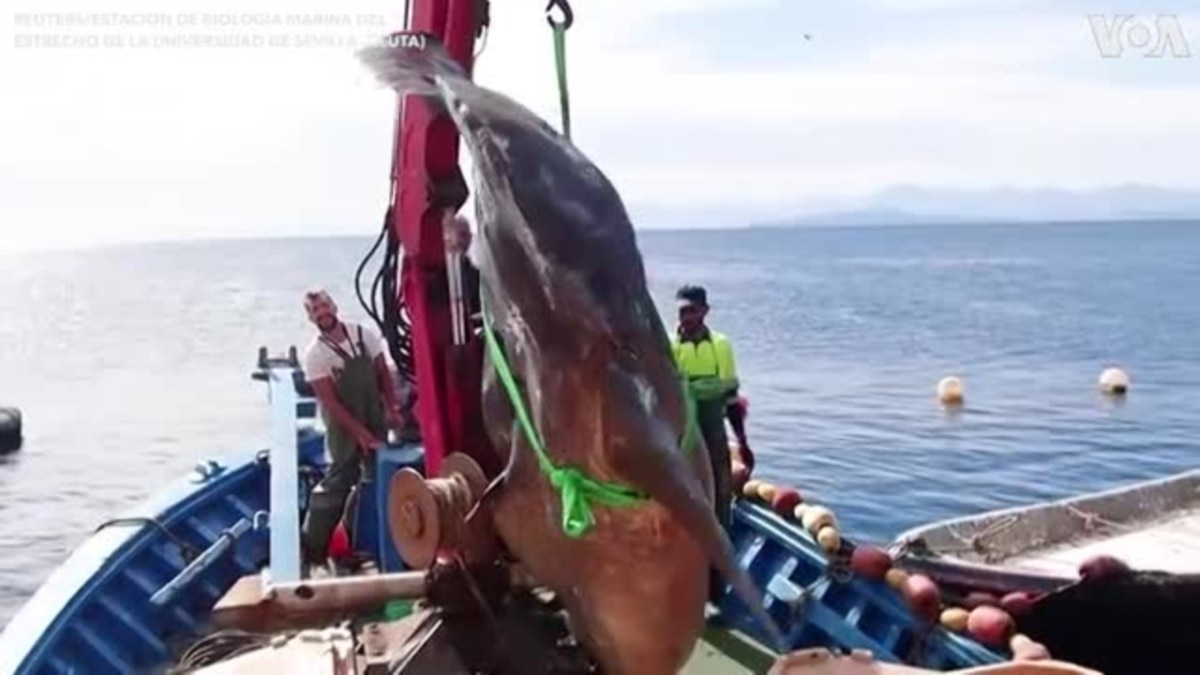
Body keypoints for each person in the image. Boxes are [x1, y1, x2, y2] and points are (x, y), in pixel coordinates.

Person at [300, 289, 405, 568]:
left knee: (374, 481)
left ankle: (359, 543)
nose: (322, 313)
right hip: (342, 427)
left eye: (324, 306)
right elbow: (329, 401)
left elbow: (382, 372)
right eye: (315, 311)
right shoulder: (315, 355)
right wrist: (359, 434)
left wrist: (392, 408)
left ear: (334, 305)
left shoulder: (363, 334)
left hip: (375, 417)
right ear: (310, 318)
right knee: (337, 483)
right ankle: (313, 551)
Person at [670, 284, 754, 531]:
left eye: (692, 311)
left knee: (721, 487)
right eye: (681, 311)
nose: (686, 317)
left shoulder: (720, 345)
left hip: (713, 432)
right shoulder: (669, 346)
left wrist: (742, 442)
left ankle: (720, 543)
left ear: (705, 311)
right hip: (680, 435)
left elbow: (731, 400)